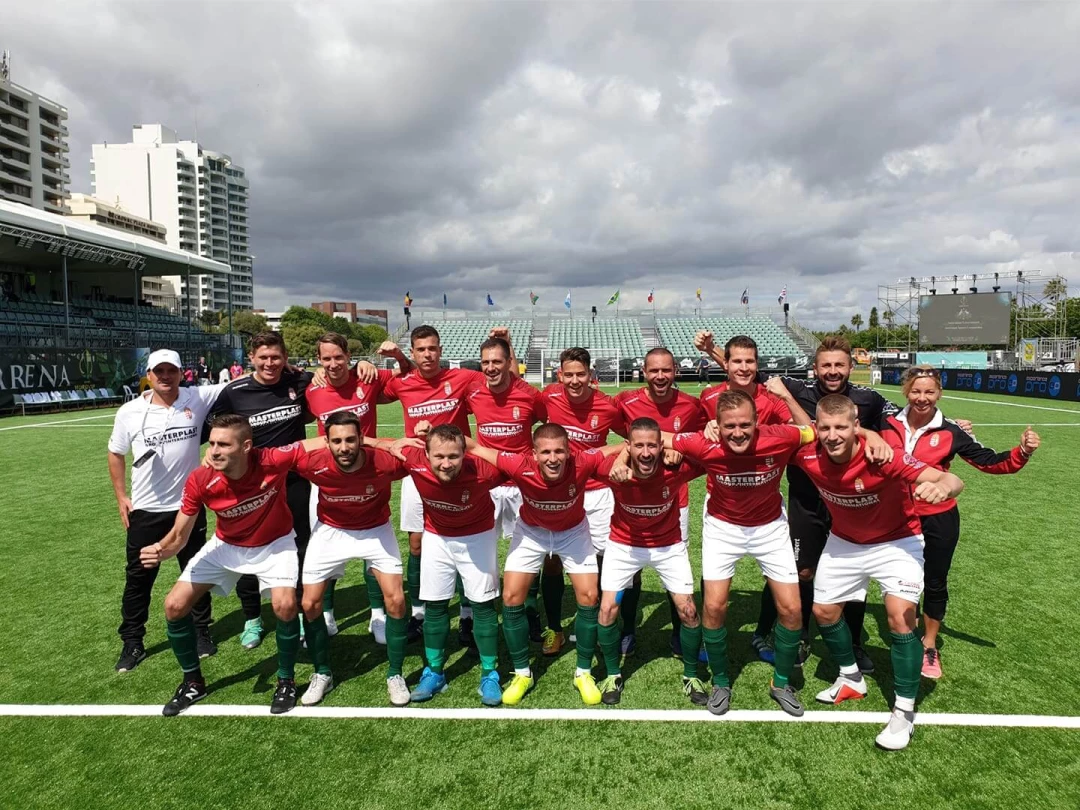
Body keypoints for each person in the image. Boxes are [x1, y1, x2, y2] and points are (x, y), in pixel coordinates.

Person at [699, 334, 902, 672]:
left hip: (851, 499)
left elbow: (903, 422)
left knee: (854, 571)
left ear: (851, 366)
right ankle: (790, 635)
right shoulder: (791, 388)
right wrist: (710, 415)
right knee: (800, 570)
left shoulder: (867, 398)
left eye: (839, 365)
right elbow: (739, 372)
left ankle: (852, 643)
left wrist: (872, 433)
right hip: (801, 497)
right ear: (815, 368)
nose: (833, 371)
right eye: (826, 365)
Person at [793, 394, 965, 750]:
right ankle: (850, 678)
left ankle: (904, 711)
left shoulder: (884, 456)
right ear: (815, 428)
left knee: (900, 618)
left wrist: (942, 486)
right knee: (823, 611)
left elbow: (952, 480)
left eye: (841, 427)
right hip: (845, 541)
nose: (833, 435)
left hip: (897, 542)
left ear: (856, 427)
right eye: (825, 428)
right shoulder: (806, 453)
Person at [207, 331, 378, 650]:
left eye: (276, 357)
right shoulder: (235, 391)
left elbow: (335, 374)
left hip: (294, 479)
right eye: (263, 357)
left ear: (285, 358)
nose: (269, 363)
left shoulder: (301, 382)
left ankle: (300, 611)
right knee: (246, 546)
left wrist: (362, 364)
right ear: (252, 359)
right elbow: (213, 426)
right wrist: (215, 452)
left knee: (300, 546)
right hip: (251, 482)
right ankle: (252, 617)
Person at [140, 414, 312, 716]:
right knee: (174, 606)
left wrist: (382, 444)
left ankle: (286, 680)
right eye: (212, 443)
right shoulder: (200, 479)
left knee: (285, 606)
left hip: (275, 543)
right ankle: (193, 682)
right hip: (226, 545)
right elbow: (179, 535)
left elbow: (320, 443)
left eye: (224, 444)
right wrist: (161, 550)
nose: (214, 451)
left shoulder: (271, 459)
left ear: (246, 446)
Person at [662, 391, 817, 716]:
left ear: (757, 422)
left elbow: (815, 430)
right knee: (714, 606)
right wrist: (624, 454)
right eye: (729, 426)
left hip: (770, 527)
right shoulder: (703, 443)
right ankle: (721, 682)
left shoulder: (781, 436)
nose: (737, 432)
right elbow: (650, 437)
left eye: (745, 425)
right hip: (723, 527)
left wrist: (871, 437)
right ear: (717, 425)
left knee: (792, 610)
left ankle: (781, 683)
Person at [882, 366, 1039, 679]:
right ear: (906, 392)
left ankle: (929, 645)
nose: (922, 398)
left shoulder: (951, 431)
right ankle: (907, 633)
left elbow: (991, 462)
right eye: (916, 391)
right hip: (896, 517)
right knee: (899, 579)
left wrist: (1023, 451)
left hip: (938, 518)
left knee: (935, 581)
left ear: (939, 393)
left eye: (929, 392)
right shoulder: (886, 423)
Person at [462, 424, 627, 706]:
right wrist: (421, 439)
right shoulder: (519, 464)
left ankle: (583, 673)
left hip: (573, 532)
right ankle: (522, 674)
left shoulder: (583, 461)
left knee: (589, 596)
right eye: (546, 452)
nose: (553, 458)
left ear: (569, 452)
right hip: (532, 532)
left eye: (559, 451)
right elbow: (474, 446)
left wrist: (624, 455)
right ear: (534, 454)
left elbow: (617, 446)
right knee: (511, 597)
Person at [379, 324, 515, 641]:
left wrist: (506, 344)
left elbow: (504, 379)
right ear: (413, 353)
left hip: (459, 472)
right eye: (421, 350)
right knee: (417, 544)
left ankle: (468, 614)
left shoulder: (463, 378)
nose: (428, 354)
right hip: (419, 471)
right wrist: (390, 361)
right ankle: (419, 612)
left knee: (467, 541)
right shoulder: (402, 382)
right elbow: (367, 389)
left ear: (441, 350)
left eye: (433, 348)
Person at [106, 349, 226, 673]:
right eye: (158, 371)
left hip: (189, 507)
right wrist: (121, 496)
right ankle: (132, 641)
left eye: (171, 370)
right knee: (138, 578)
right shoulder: (130, 412)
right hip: (146, 510)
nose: (165, 376)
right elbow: (115, 452)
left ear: (181, 373)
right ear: (148, 375)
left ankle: (201, 631)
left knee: (196, 570)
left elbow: (242, 383)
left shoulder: (196, 397)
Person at [291, 412, 412, 707]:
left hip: (375, 530)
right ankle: (322, 673)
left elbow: (428, 457)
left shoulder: (385, 462)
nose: (344, 447)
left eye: (350, 440)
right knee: (310, 603)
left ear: (361, 439)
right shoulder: (312, 463)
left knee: (396, 600)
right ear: (326, 442)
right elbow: (268, 459)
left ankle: (395, 674)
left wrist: (392, 442)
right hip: (331, 531)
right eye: (336, 441)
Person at [694, 333, 794, 662]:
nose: (743, 367)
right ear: (726, 363)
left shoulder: (772, 399)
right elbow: (694, 436)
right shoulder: (709, 396)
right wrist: (706, 429)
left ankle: (764, 633)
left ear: (757, 364)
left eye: (750, 361)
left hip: (765, 504)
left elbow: (798, 430)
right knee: (714, 588)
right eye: (736, 361)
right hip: (722, 505)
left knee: (779, 583)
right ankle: (709, 637)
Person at [305, 332, 411, 641]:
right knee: (324, 554)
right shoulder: (312, 389)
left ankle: (377, 615)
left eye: (339, 357)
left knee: (373, 552)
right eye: (326, 359)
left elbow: (408, 376)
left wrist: (391, 357)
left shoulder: (367, 378)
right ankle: (327, 614)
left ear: (349, 357)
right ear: (319, 360)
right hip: (328, 478)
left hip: (369, 475)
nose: (333, 364)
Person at [593, 418, 705, 705]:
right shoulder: (613, 471)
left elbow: (711, 454)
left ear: (661, 446)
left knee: (689, 611)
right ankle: (612, 674)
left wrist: (682, 447)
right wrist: (618, 456)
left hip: (668, 546)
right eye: (639, 446)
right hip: (624, 545)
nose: (645, 453)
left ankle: (691, 676)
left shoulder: (676, 468)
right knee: (607, 609)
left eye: (652, 446)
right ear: (628, 446)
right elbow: (580, 458)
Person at [393, 425, 507, 706]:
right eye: (439, 456)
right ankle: (434, 672)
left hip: (478, 537)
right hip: (437, 537)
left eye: (454, 456)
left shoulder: (485, 471)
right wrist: (388, 443)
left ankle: (490, 673)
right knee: (435, 605)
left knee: (483, 605)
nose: (446, 463)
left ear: (465, 454)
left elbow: (521, 465)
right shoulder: (412, 460)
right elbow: (362, 447)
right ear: (426, 454)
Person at [613, 347, 708, 657]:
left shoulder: (691, 405)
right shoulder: (625, 401)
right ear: (644, 372)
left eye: (666, 370)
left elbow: (703, 439)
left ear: (675, 371)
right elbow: (619, 435)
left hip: (674, 498)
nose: (660, 376)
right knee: (631, 569)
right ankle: (628, 630)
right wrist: (625, 456)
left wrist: (681, 447)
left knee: (674, 569)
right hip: (634, 496)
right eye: (654, 370)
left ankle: (680, 633)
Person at [538, 348, 626, 656]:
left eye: (581, 374)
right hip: (558, 493)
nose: (575, 381)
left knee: (602, 558)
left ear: (591, 375)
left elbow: (631, 437)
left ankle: (602, 623)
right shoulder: (548, 398)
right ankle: (555, 629)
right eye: (569, 375)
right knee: (552, 559)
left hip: (597, 492)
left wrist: (621, 456)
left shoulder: (607, 406)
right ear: (559, 375)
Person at [465, 336, 546, 641]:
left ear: (509, 362)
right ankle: (470, 615)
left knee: (528, 551)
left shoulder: (529, 395)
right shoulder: (473, 392)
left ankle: (530, 611)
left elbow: (547, 422)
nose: (490, 368)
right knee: (475, 548)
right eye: (485, 362)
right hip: (484, 483)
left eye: (497, 361)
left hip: (521, 484)